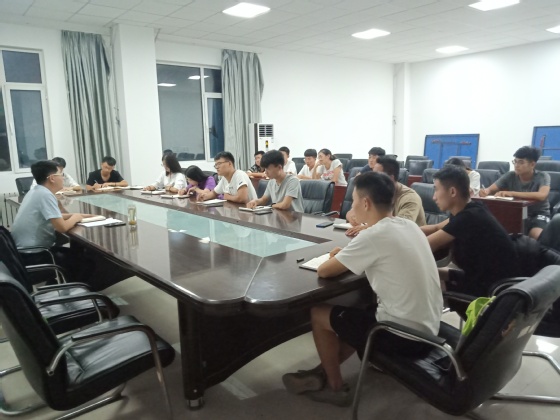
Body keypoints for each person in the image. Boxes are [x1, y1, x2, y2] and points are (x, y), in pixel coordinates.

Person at [282, 172, 442, 406]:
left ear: (366, 203)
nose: (352, 205)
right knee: (360, 313)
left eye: (355, 199)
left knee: (319, 313)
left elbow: (324, 271)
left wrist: (338, 257)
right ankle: (320, 372)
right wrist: (347, 255)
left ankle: (335, 388)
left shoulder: (374, 236)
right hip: (430, 329)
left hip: (402, 337)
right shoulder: (409, 225)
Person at [421, 165, 518, 296]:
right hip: (479, 276)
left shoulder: (468, 217)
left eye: (436, 190)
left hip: (491, 289)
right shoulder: (472, 209)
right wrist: (404, 228)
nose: (434, 197)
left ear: (452, 192)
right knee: (431, 273)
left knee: (424, 282)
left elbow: (424, 245)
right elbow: (436, 228)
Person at [11, 160, 96, 282]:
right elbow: (62, 227)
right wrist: (76, 217)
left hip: (22, 252)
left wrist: (79, 215)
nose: (63, 178)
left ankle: (65, 285)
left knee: (77, 254)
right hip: (35, 255)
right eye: (60, 174)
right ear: (52, 178)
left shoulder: (36, 191)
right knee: (86, 263)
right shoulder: (46, 195)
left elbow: (55, 216)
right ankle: (72, 289)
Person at [479, 146, 550, 240]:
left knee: (535, 235)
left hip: (538, 214)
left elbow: (542, 195)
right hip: (516, 213)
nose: (516, 165)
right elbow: (490, 189)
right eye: (515, 161)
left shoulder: (542, 176)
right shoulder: (510, 175)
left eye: (521, 162)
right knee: (498, 232)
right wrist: (485, 191)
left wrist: (512, 193)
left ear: (532, 164)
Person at [346, 156, 425, 235]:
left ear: (390, 178)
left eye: (376, 176)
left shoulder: (410, 198)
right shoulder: (374, 192)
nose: (372, 179)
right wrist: (350, 216)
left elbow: (400, 227)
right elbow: (352, 212)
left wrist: (367, 227)